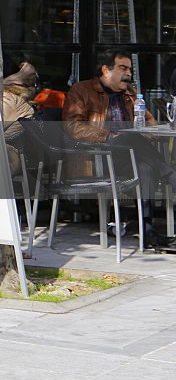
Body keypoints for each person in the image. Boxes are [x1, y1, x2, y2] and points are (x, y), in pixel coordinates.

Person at [63, 48, 176, 243]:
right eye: (123, 68)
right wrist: (108, 137)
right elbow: (73, 127)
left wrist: (158, 131)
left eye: (130, 69)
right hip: (97, 157)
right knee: (130, 140)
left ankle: (147, 230)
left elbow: (149, 123)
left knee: (145, 167)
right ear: (106, 70)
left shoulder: (130, 94)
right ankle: (170, 175)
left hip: (130, 156)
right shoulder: (81, 91)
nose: (129, 74)